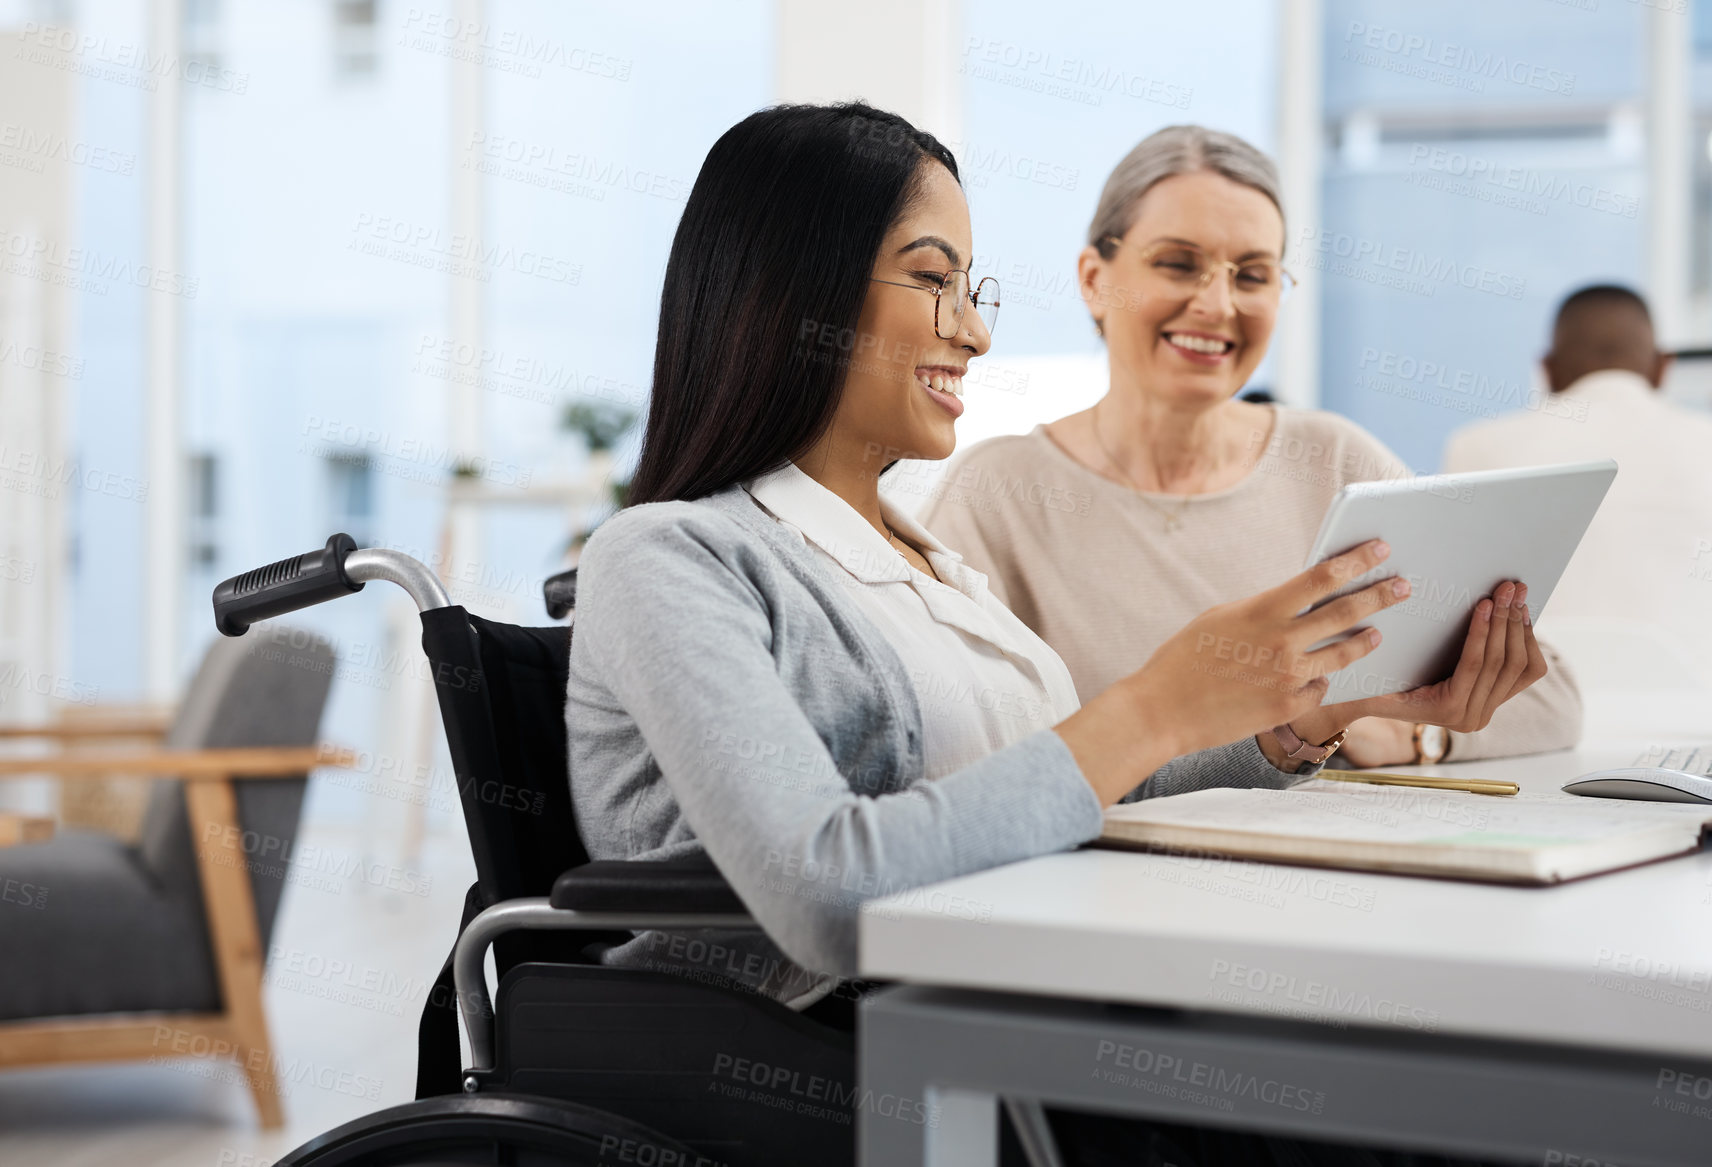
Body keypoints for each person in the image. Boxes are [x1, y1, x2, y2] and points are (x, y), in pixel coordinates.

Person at [567, 102, 1541, 1167]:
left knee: (1455, 1076)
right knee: (1425, 1121)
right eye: (933, 280)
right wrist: (1154, 704)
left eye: (969, 289)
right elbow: (828, 895)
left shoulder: (928, 564)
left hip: (1025, 1024)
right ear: (796, 290)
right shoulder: (668, 557)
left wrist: (1296, 724)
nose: (975, 330)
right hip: (844, 1065)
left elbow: (1064, 806)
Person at [919, 125, 1579, 770]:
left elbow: (1550, 693)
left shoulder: (1333, 461)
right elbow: (967, 757)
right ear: (1095, 278)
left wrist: (1413, 735)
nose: (1218, 304)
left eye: (1254, 275)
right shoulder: (996, 493)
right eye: (1178, 264)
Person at [1443, 285, 1712, 687]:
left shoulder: (1475, 446)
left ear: (1547, 369)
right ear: (1662, 367)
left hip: (1526, 715)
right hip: (1694, 722)